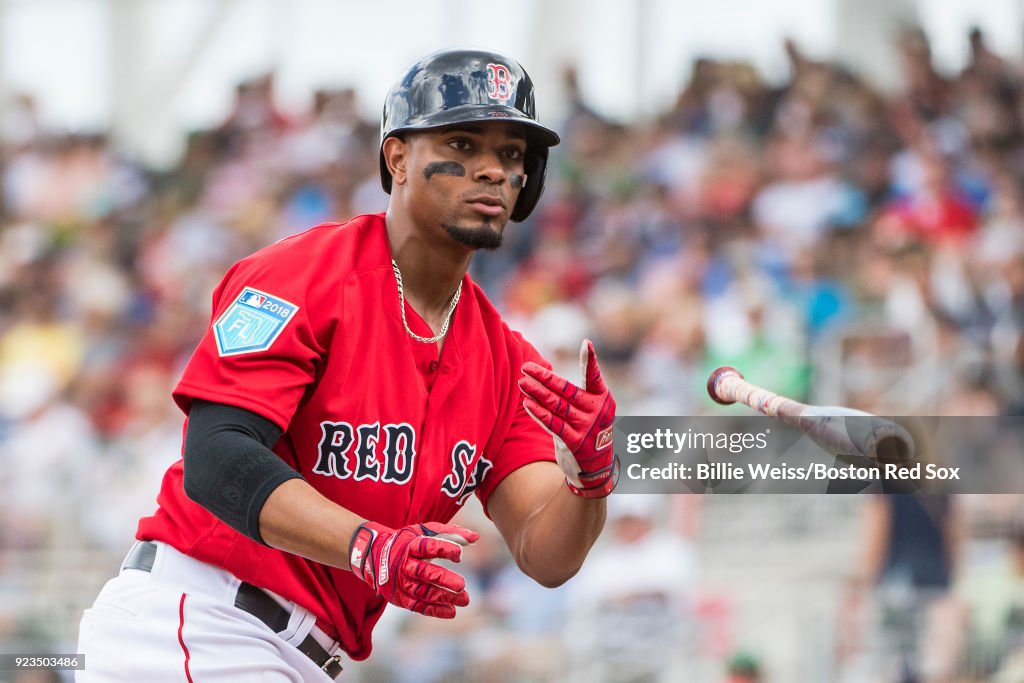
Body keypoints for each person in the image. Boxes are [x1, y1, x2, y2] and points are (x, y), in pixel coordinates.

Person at [76, 47, 619, 682]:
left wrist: (590, 478)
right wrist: (369, 545)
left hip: (306, 656)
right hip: (201, 621)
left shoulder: (503, 360)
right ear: (397, 157)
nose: (493, 170)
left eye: (511, 154)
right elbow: (217, 455)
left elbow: (545, 552)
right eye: (464, 143)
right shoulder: (301, 275)